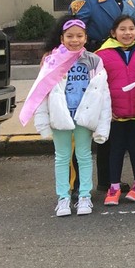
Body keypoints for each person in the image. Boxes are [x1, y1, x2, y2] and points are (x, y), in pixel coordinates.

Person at [21, 17, 111, 217]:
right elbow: (41, 93)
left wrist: (102, 123)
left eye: (79, 36)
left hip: (83, 117)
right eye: (70, 36)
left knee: (84, 156)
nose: (75, 40)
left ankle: (84, 196)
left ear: (86, 38)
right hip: (60, 116)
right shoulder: (52, 60)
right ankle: (63, 197)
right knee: (61, 158)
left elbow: (103, 93)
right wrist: (42, 121)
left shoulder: (94, 60)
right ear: (61, 38)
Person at [69, 0, 135, 192]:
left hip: (120, 71)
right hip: (92, 70)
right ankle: (78, 185)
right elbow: (73, 31)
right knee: (85, 127)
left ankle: (107, 180)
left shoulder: (131, 3)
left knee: (110, 126)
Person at [96, 15, 135, 205]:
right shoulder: (102, 55)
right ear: (113, 32)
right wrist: (105, 110)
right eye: (122, 29)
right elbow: (97, 87)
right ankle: (114, 186)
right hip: (115, 114)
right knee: (115, 150)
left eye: (131, 29)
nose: (127, 33)